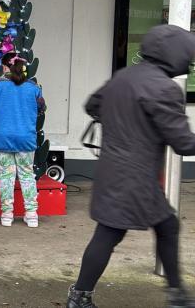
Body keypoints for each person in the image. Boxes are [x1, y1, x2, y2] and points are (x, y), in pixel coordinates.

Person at [66, 25, 195, 308]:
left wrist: (122, 122)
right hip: (136, 178)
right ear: (174, 55)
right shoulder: (164, 89)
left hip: (113, 171)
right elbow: (184, 143)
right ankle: (176, 295)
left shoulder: (124, 76)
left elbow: (92, 105)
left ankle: (175, 293)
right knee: (114, 232)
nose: (190, 62)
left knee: (160, 226)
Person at [0, 52, 45, 228]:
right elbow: (41, 109)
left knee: (6, 176)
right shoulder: (34, 88)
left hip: (2, 135)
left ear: (5, 66)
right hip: (26, 137)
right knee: (27, 175)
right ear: (22, 67)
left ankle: (6, 215)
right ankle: (32, 214)